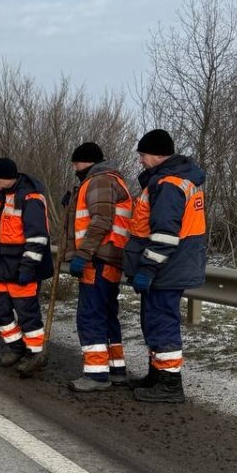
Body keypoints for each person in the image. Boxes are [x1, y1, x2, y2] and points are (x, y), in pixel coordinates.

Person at [123, 130, 207, 403]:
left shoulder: (168, 185)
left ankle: (170, 385)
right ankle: (157, 375)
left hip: (167, 267)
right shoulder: (176, 180)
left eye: (143, 155)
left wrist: (147, 267)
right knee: (154, 321)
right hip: (173, 265)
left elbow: (164, 235)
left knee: (162, 322)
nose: (141, 161)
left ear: (158, 156)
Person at [62, 142, 134, 392]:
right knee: (106, 315)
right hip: (109, 258)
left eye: (76, 163)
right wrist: (71, 203)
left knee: (90, 315)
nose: (74, 168)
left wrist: (83, 253)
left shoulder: (100, 181)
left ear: (88, 162)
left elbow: (101, 220)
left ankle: (96, 375)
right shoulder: (105, 181)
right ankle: (116, 370)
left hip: (98, 258)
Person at [0, 157, 53, 377]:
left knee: (27, 315)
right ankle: (17, 347)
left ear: (7, 178)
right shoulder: (3, 196)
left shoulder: (30, 198)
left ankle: (34, 354)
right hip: (2, 268)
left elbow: (37, 239)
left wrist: (27, 268)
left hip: (23, 268)